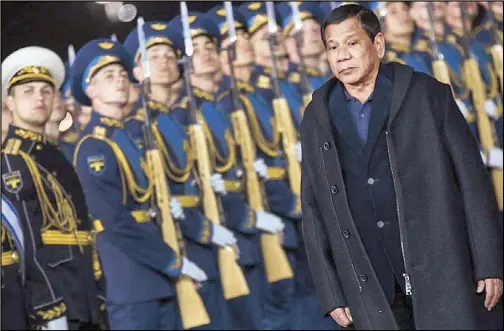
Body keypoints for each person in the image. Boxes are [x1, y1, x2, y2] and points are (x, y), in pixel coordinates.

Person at [300, 4, 503, 330]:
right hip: (371, 283)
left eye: (352, 43)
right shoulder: (317, 115)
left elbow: (472, 182)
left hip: (440, 268)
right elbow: (313, 209)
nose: (342, 56)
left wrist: (490, 261)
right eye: (333, 47)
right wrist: (331, 292)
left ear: (377, 44)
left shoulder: (427, 95)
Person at [70, 38, 207, 329]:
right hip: (132, 281)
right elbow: (116, 222)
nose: (119, 81)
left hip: (158, 277)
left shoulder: (129, 137)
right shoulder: (94, 146)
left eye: (122, 75)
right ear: (90, 90)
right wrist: (172, 261)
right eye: (108, 77)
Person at [123, 19, 233, 330]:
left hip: (202, 237)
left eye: (170, 56)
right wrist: (204, 230)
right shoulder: (135, 127)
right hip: (173, 244)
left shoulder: (179, 116)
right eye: (152, 57)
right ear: (137, 70)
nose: (164, 63)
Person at [2, 45, 101, 331]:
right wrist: (47, 307)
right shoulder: (13, 160)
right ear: (10, 102)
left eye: (46, 91)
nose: (39, 98)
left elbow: (82, 227)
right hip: (54, 300)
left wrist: (97, 289)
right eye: (28, 92)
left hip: (82, 295)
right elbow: (27, 244)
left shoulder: (53, 154)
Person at [277, 2, 331, 91]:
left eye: (315, 29)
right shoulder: (286, 82)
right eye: (301, 32)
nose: (312, 34)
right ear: (287, 42)